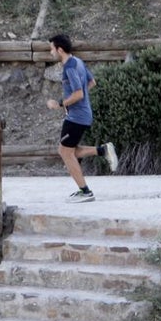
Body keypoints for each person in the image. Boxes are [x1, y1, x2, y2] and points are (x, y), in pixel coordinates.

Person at [45, 34, 118, 202]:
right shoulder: (78, 61)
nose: (50, 52)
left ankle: (85, 192)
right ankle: (103, 150)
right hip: (82, 115)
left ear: (60, 50)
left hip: (76, 117)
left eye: (51, 49)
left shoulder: (69, 67)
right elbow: (91, 82)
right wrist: (76, 101)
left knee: (65, 152)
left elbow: (79, 93)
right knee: (69, 151)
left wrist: (61, 103)